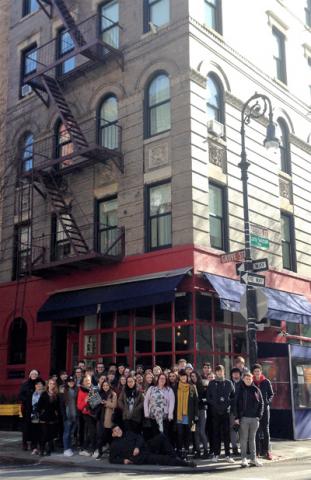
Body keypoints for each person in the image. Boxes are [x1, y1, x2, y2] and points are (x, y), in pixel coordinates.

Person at [109, 425, 196, 467]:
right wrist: (123, 460)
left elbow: (139, 438)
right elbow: (112, 459)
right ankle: (185, 464)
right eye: (116, 431)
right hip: (141, 457)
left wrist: (137, 447)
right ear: (113, 434)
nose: (119, 431)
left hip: (145, 447)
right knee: (163, 459)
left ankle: (175, 456)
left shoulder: (128, 433)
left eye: (119, 429)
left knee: (161, 437)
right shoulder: (114, 445)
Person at [235, 372, 264, 468]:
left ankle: (253, 459)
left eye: (250, 378)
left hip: (254, 419)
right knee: (243, 439)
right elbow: (235, 404)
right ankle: (243, 459)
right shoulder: (239, 389)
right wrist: (237, 418)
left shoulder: (256, 389)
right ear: (243, 379)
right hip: (243, 418)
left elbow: (262, 404)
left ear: (252, 379)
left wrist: (259, 416)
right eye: (246, 378)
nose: (248, 380)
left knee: (252, 439)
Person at [207, 365, 235, 463]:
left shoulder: (229, 383)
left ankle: (228, 455)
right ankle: (216, 454)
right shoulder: (211, 383)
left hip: (226, 412)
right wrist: (216, 405)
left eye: (221, 371)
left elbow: (233, 397)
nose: (219, 373)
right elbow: (209, 398)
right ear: (216, 373)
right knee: (216, 434)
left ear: (224, 372)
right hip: (215, 413)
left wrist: (226, 405)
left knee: (227, 434)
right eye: (217, 371)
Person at [174, 369, 199, 459]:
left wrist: (196, 414)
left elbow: (196, 402)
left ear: (187, 377)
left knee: (188, 433)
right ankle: (180, 450)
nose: (183, 378)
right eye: (181, 376)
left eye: (184, 376)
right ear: (179, 377)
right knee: (179, 433)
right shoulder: (176, 387)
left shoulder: (192, 387)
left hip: (189, 415)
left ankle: (187, 450)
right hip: (178, 415)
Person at [252, 363, 274, 460]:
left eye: (258, 371)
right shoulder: (250, 382)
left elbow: (271, 394)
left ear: (261, 372)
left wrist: (267, 402)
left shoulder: (266, 382)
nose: (257, 373)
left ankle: (267, 451)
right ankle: (257, 452)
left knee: (265, 430)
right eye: (255, 371)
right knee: (255, 430)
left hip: (265, 409)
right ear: (253, 372)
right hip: (254, 410)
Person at [144, 373, 175, 438]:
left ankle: (164, 447)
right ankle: (156, 448)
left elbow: (172, 403)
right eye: (161, 378)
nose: (162, 380)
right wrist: (146, 413)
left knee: (164, 434)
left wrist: (170, 415)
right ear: (158, 379)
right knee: (154, 433)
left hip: (164, 415)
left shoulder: (169, 390)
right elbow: (146, 401)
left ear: (166, 380)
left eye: (164, 379)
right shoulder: (151, 388)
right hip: (153, 415)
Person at [37, 378, 60, 456]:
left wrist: (57, 414)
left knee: (51, 434)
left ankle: (49, 450)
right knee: (44, 434)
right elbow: (39, 406)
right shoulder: (44, 394)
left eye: (53, 384)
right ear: (48, 384)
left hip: (52, 417)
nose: (52, 385)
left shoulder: (56, 394)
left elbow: (58, 407)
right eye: (50, 383)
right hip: (44, 417)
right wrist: (41, 413)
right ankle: (42, 449)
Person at [19, 369, 40, 451]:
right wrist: (28, 400)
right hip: (27, 409)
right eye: (32, 374)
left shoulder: (39, 384)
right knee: (26, 427)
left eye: (35, 374)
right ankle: (24, 443)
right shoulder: (25, 384)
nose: (34, 375)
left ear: (37, 375)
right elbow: (20, 395)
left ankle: (33, 444)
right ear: (29, 375)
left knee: (34, 427)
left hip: (36, 409)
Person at [95, 381, 117, 459]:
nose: (105, 387)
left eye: (107, 385)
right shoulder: (99, 393)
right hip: (100, 417)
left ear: (109, 386)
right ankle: (100, 452)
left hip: (108, 418)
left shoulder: (113, 394)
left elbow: (114, 405)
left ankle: (112, 453)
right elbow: (94, 404)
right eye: (103, 385)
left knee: (109, 437)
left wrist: (106, 402)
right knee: (99, 436)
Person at [77, 375, 97, 456]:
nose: (87, 382)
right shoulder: (81, 391)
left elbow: (96, 402)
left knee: (92, 432)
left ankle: (84, 448)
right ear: (82, 382)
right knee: (92, 431)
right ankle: (93, 449)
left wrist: (93, 402)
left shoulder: (93, 389)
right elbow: (79, 406)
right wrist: (85, 401)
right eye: (86, 380)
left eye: (89, 380)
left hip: (94, 414)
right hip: (86, 415)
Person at [190, 371, 209, 458]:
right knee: (195, 432)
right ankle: (197, 451)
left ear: (197, 376)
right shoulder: (190, 387)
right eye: (191, 376)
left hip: (201, 411)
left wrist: (200, 400)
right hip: (193, 412)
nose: (193, 378)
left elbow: (207, 398)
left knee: (202, 431)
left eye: (194, 376)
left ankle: (206, 450)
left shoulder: (203, 385)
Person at [60, 375, 78, 457]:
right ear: (67, 383)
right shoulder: (64, 391)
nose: (71, 383)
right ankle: (66, 449)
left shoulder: (77, 390)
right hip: (67, 415)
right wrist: (64, 415)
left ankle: (69, 447)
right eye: (70, 382)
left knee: (71, 433)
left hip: (75, 415)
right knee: (66, 433)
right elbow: (62, 405)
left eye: (72, 381)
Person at [26, 378, 45, 455]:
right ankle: (34, 448)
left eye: (40, 385)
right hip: (34, 416)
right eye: (37, 385)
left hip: (42, 415)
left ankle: (41, 448)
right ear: (35, 386)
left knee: (42, 432)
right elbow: (29, 405)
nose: (39, 386)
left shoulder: (44, 394)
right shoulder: (32, 394)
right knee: (34, 432)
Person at [230, 367, 242, 456]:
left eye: (237, 373)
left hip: (242, 411)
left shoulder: (243, 383)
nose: (235, 375)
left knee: (242, 430)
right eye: (234, 373)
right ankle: (234, 448)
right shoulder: (229, 383)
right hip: (232, 411)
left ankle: (244, 448)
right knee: (233, 430)